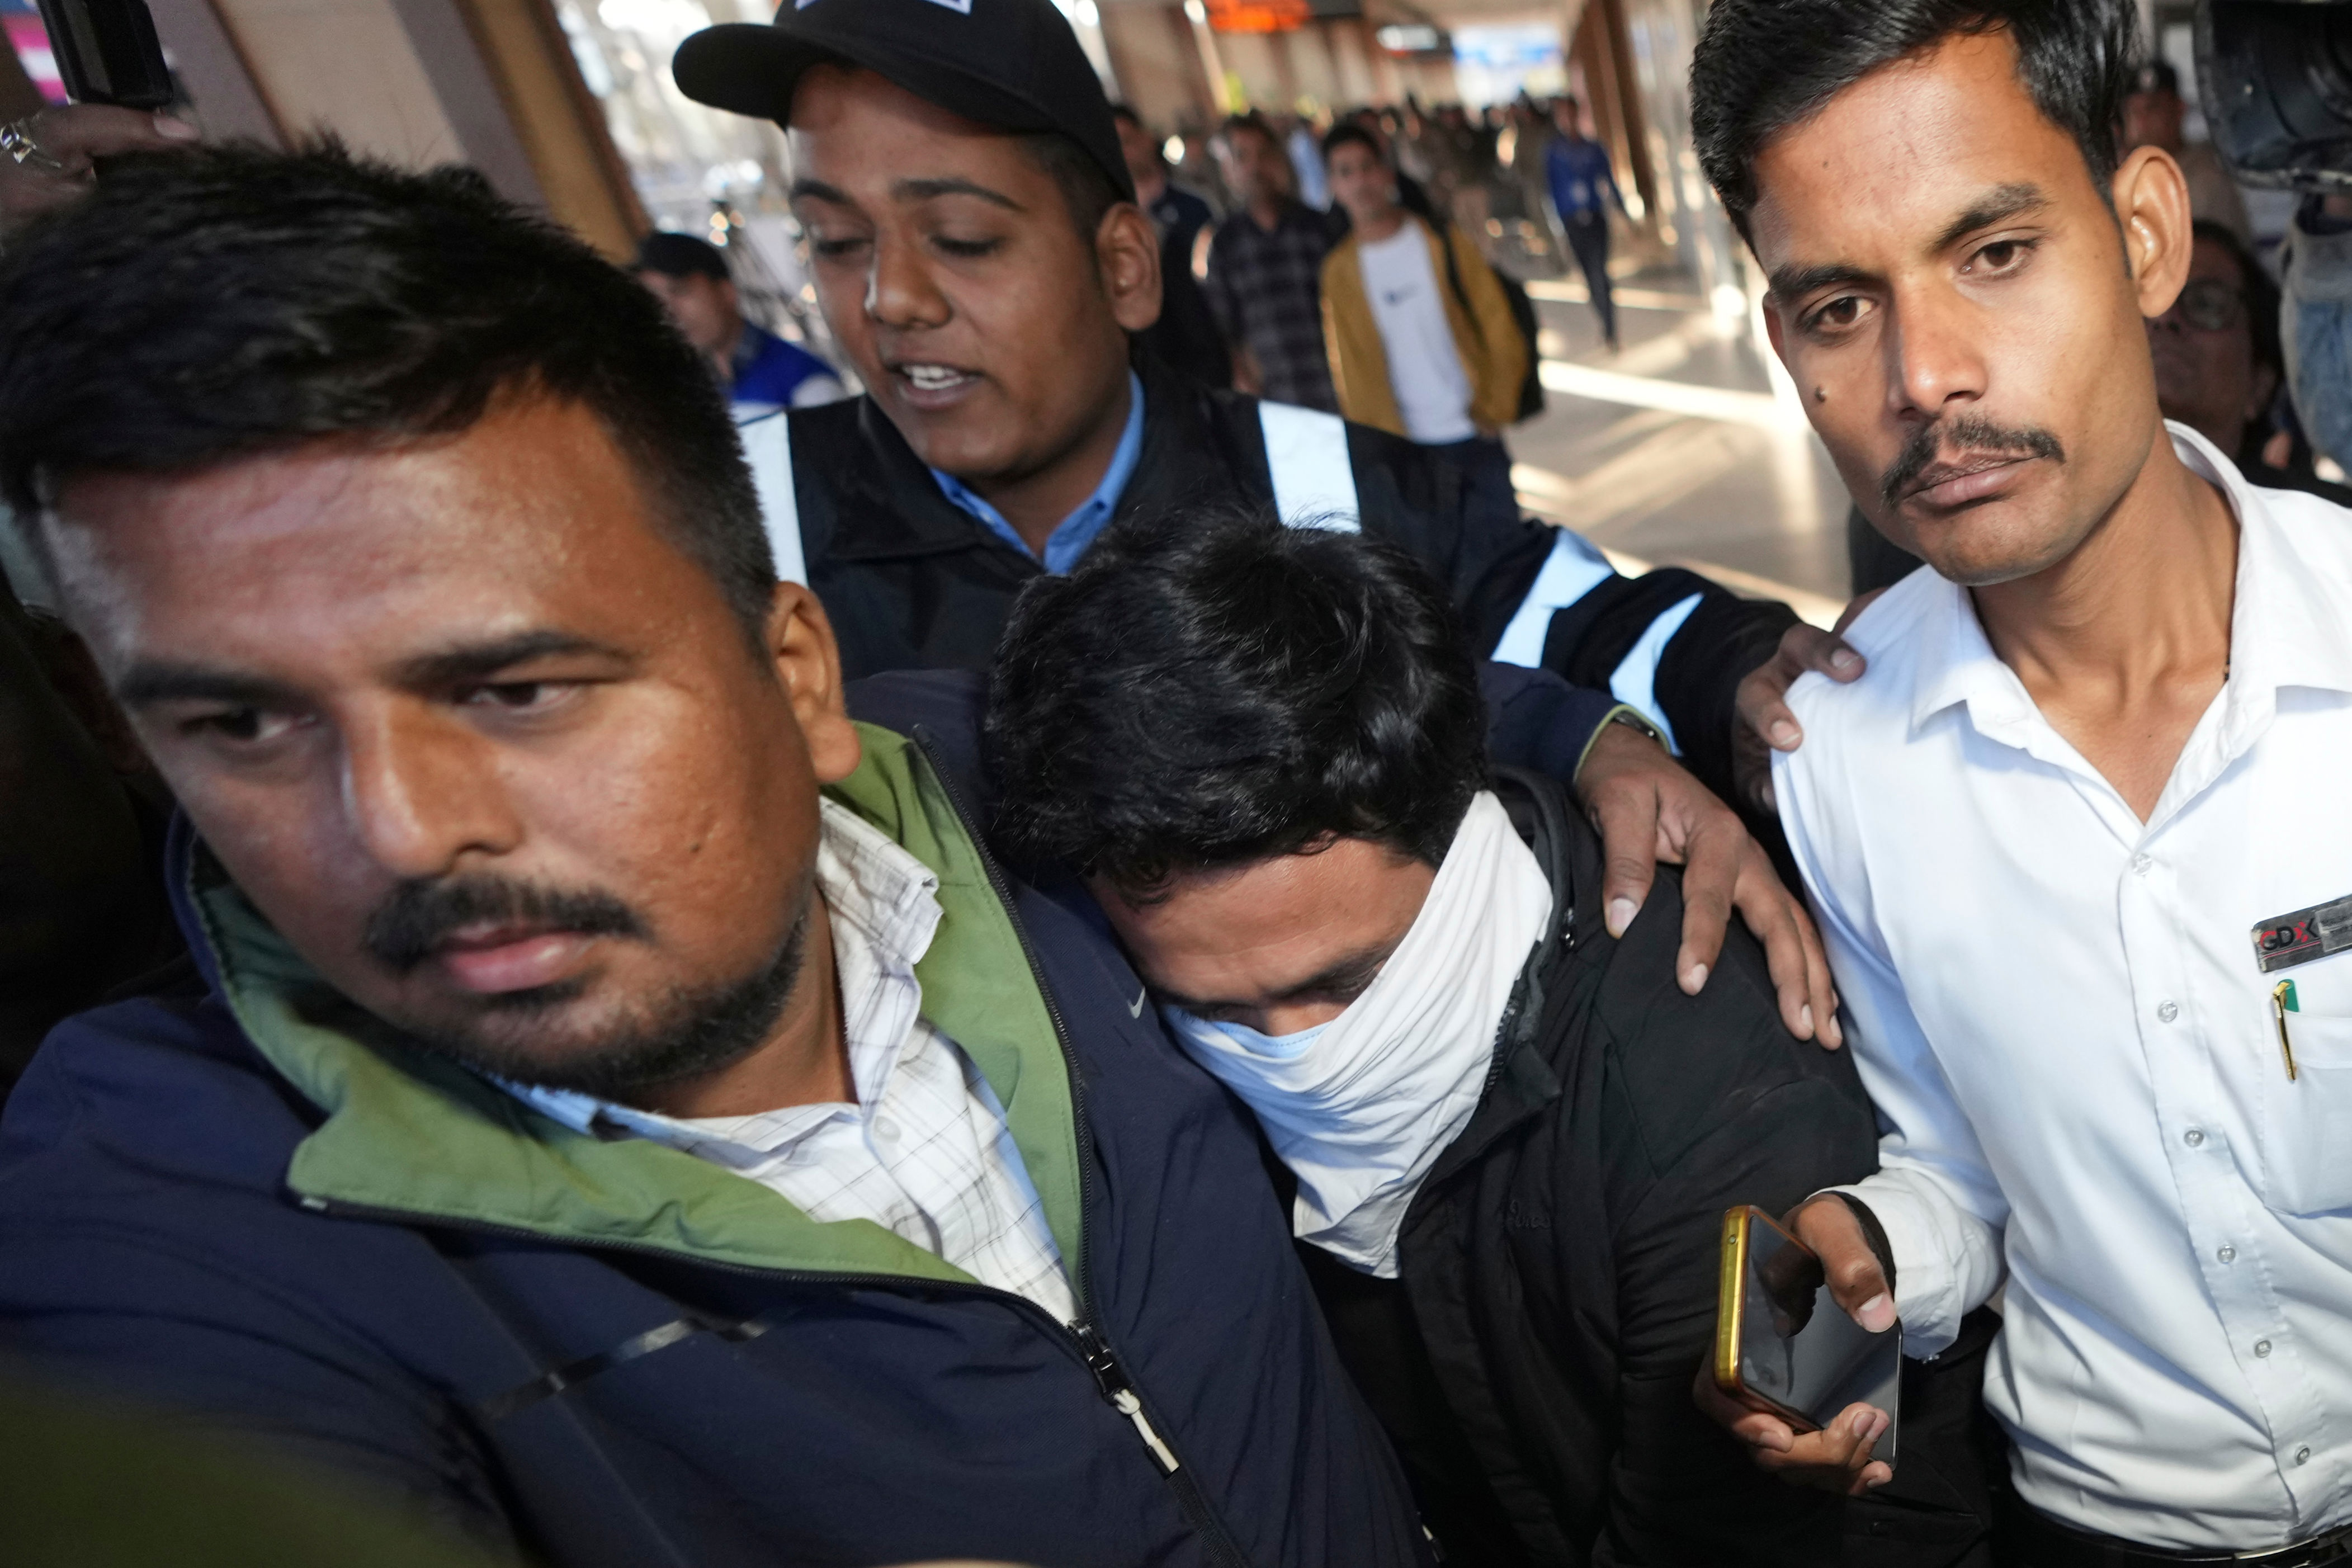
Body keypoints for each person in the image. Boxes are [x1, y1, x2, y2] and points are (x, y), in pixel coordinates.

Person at [0, 142, 1433, 1567]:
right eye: (243, 723)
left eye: (517, 691)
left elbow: (1361, 720)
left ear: (795, 673)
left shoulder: (1002, 771)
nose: (403, 830)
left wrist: (1595, 755)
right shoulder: (160, 1212)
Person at [662, 0, 1862, 1040]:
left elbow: (1575, 615)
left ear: (1126, 264)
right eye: (834, 241)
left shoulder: (1323, 487)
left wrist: (1732, 676)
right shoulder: (727, 533)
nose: (892, 299)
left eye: (965, 240)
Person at [1688, 2, 2352, 1561]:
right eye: (1839, 307)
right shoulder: (1837, 751)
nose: (1925, 376)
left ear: (2140, 234)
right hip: (2094, 1525)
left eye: (1991, 252)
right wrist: (1871, 1251)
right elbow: (1964, 1168)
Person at [985, 507, 1886, 1566]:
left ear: (1448, 819)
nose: (1301, 1052)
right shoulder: (1093, 936)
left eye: (1345, 980)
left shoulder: (1713, 1098)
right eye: (1221, 1010)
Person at [1319, 123, 1526, 527]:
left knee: (1507, 558)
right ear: (1333, 186)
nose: (1360, 181)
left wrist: (1496, 404)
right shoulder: (1339, 272)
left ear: (1387, 172)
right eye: (1345, 172)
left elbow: (1496, 320)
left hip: (1474, 434)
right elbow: (1350, 366)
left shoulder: (1440, 241)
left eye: (1366, 167)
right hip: (1406, 451)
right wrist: (1378, 445)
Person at [1203, 111, 1342, 409]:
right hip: (1278, 405)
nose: (1255, 166)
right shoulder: (1226, 245)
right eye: (1242, 157)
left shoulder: (1320, 230)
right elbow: (1225, 333)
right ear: (1228, 172)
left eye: (1264, 154)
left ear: (1279, 160)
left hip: (1342, 395)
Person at [632, 230, 845, 413]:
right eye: (655, 300)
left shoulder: (804, 381)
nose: (669, 312)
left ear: (726, 292)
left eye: (680, 291)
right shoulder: (681, 389)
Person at [1112, 102, 1230, 390]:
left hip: (1209, 348)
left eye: (1127, 141)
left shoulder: (1194, 206)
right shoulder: (1113, 223)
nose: (1123, 152)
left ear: (1146, 139)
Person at [2122, 58, 2252, 247]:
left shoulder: (2206, 175)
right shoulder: (2124, 174)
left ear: (2179, 109)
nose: (2142, 123)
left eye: (2153, 108)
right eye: (2133, 111)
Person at [1545, 98, 1626, 353]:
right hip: (1571, 221)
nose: (1568, 120)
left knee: (1600, 271)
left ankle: (1611, 330)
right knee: (1589, 276)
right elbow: (1550, 189)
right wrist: (1557, 223)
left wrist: (1623, 210)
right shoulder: (1553, 152)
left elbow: (1609, 182)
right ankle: (1604, 320)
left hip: (1595, 217)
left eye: (1571, 114)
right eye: (1563, 115)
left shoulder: (1593, 148)